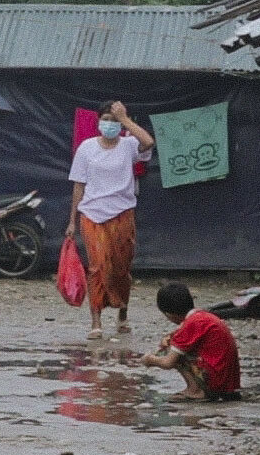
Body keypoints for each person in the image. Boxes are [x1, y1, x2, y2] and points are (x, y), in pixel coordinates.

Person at [66, 100, 155, 340]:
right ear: (98, 122)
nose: (110, 125)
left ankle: (122, 313)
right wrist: (72, 221)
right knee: (96, 267)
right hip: (92, 213)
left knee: (120, 268)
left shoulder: (128, 145)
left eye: (114, 121)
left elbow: (148, 143)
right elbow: (78, 185)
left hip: (122, 212)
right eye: (106, 120)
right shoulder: (86, 148)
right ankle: (96, 322)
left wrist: (125, 119)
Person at [140, 283, 243, 402]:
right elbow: (178, 336)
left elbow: (168, 362)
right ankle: (199, 389)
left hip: (216, 380)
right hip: (227, 382)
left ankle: (196, 391)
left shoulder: (192, 323)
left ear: (168, 314)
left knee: (171, 352)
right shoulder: (201, 316)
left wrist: (149, 360)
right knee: (173, 345)